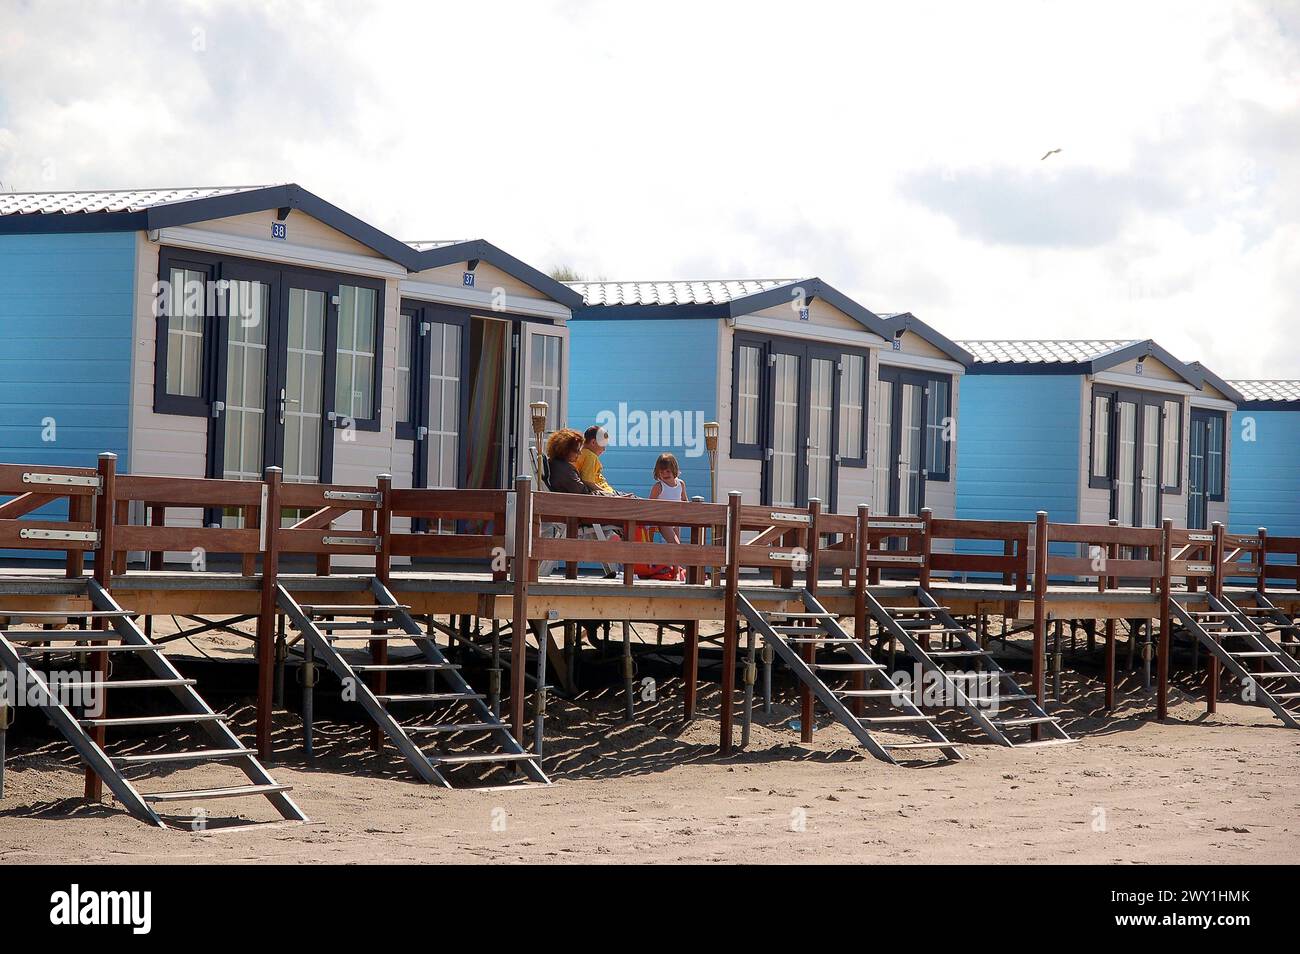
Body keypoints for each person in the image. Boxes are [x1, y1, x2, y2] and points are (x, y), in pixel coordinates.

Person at [648, 452, 687, 544]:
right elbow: (649, 505)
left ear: (674, 470)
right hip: (663, 519)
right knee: (675, 544)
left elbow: (685, 501)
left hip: (676, 519)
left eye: (668, 471)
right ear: (657, 473)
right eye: (662, 472)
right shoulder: (659, 486)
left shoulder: (681, 484)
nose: (665, 474)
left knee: (675, 546)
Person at [546, 428, 597, 495]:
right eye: (577, 450)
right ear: (565, 450)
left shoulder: (554, 464)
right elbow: (584, 492)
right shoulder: (565, 471)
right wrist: (606, 494)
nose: (580, 453)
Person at [577, 425, 616, 495]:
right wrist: (610, 495)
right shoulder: (591, 456)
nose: (604, 449)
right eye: (603, 445)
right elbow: (588, 481)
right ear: (593, 442)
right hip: (605, 493)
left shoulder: (580, 453)